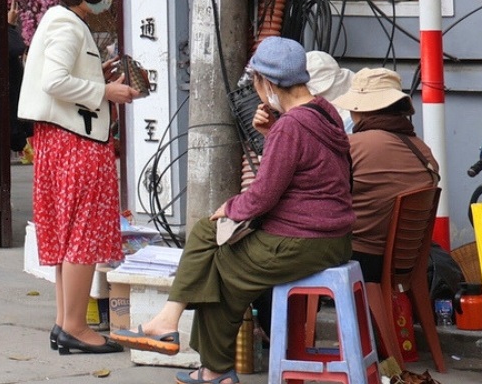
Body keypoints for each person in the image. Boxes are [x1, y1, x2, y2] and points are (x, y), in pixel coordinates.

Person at [114, 37, 354, 382]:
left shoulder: (292, 126)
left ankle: (210, 365)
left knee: (217, 266)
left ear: (267, 83)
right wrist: (271, 134)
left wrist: (229, 206)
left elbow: (261, 197)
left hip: (303, 240)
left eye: (256, 83)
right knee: (206, 239)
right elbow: (304, 169)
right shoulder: (324, 112)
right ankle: (184, 338)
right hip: (334, 236)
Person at [18, 0, 138, 356]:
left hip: (57, 140)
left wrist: (96, 77)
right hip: (77, 142)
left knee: (67, 232)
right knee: (82, 233)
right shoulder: (70, 27)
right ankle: (74, 326)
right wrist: (105, 91)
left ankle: (64, 322)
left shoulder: (58, 21)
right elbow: (55, 81)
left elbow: (59, 78)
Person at [333, 67, 441, 288]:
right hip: (406, 262)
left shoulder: (353, 146)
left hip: (360, 260)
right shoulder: (424, 151)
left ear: (360, 110)